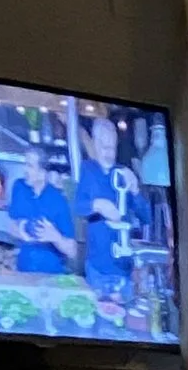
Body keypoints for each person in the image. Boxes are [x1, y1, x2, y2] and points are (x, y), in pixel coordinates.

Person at [74, 108, 138, 308]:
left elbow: (146, 216)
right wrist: (97, 205)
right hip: (97, 271)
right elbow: (78, 207)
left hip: (123, 273)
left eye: (113, 147)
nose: (109, 153)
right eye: (104, 147)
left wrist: (135, 189)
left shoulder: (124, 174)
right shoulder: (88, 170)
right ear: (94, 144)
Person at [9, 141, 74, 274]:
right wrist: (22, 230)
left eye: (30, 166)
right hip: (24, 272)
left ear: (43, 173)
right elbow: (11, 226)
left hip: (51, 276)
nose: (25, 170)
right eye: (25, 164)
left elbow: (72, 251)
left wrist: (56, 237)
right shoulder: (19, 188)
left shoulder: (58, 201)